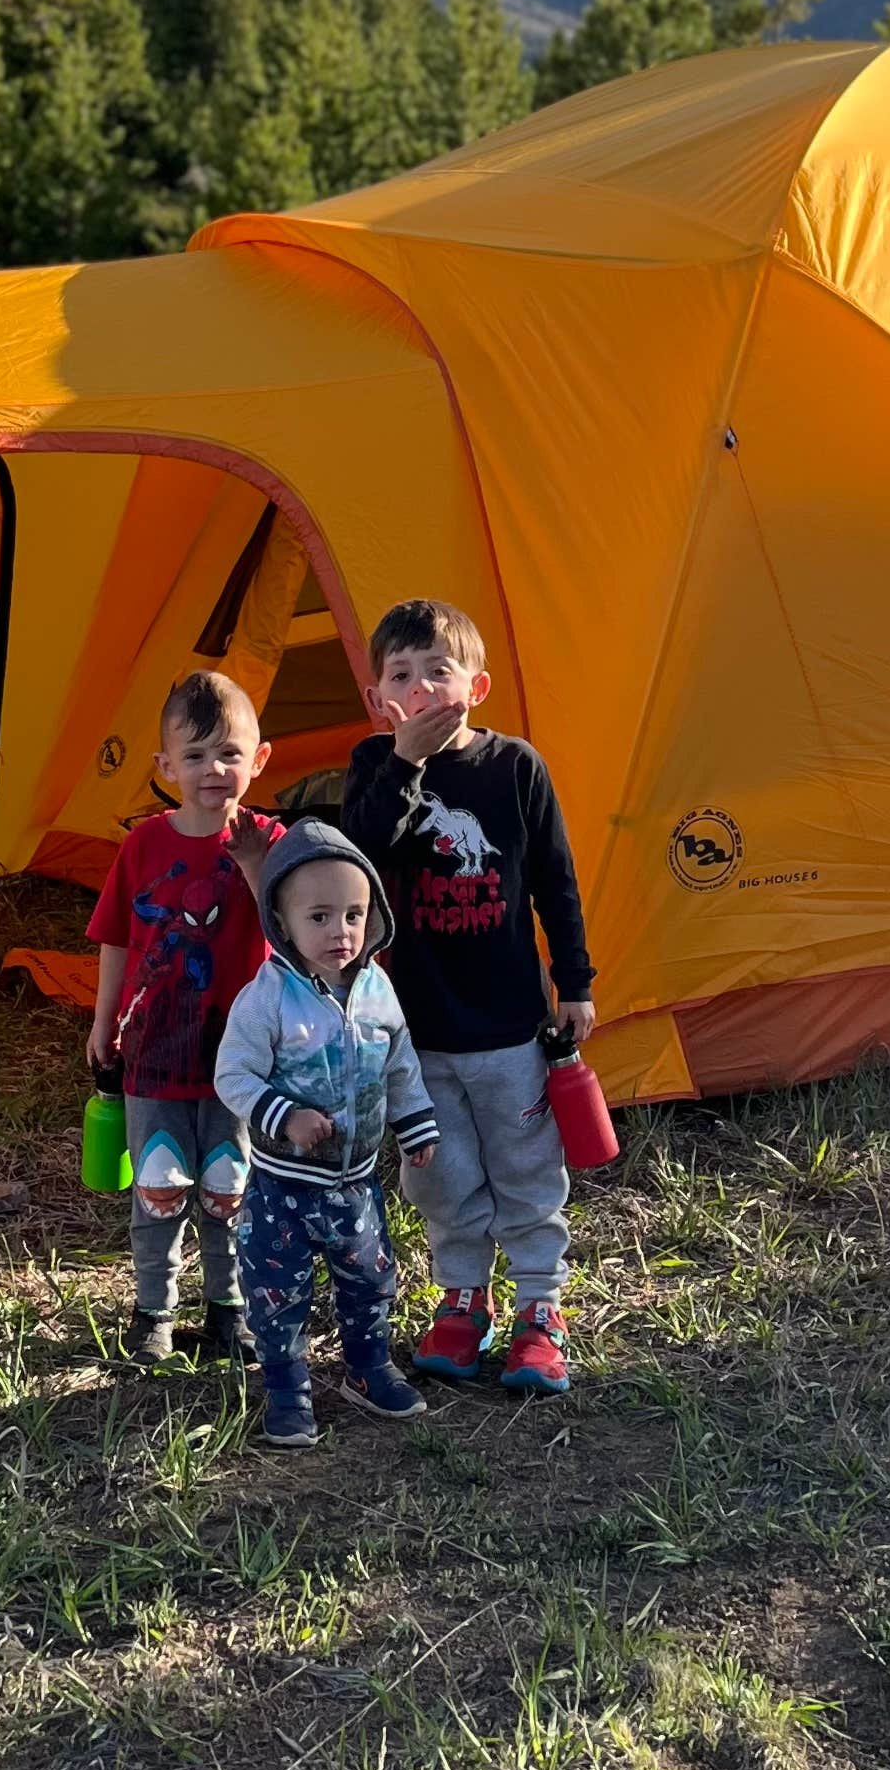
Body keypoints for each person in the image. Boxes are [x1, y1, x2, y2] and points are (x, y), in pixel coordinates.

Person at [339, 597, 594, 1399]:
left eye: (436, 672)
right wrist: (404, 763)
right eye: (400, 676)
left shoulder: (515, 767)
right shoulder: (373, 766)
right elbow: (357, 861)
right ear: (378, 697)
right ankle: (461, 1297)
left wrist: (575, 982)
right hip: (417, 1026)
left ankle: (539, 1306)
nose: (419, 689)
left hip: (510, 1021)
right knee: (440, 1171)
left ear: (475, 688)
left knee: (525, 1163)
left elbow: (554, 879)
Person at [213, 819, 438, 1449]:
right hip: (283, 1186)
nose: (340, 932)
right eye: (319, 917)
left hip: (355, 1183)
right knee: (276, 1290)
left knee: (370, 1279)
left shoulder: (377, 989)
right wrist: (284, 1116)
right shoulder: (268, 997)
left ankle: (368, 1368)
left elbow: (400, 1063)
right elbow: (232, 1074)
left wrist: (414, 1124)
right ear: (282, 924)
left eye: (353, 915)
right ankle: (287, 1388)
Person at [84, 670, 278, 1366]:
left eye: (229, 753)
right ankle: (154, 1312)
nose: (213, 770)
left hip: (241, 1053)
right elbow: (115, 938)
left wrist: (254, 863)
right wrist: (103, 1021)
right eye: (194, 756)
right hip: (155, 1047)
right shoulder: (143, 846)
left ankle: (230, 1310)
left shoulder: (269, 839)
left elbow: (293, 929)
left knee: (231, 1185)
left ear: (259, 760)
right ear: (165, 768)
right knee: (159, 1185)